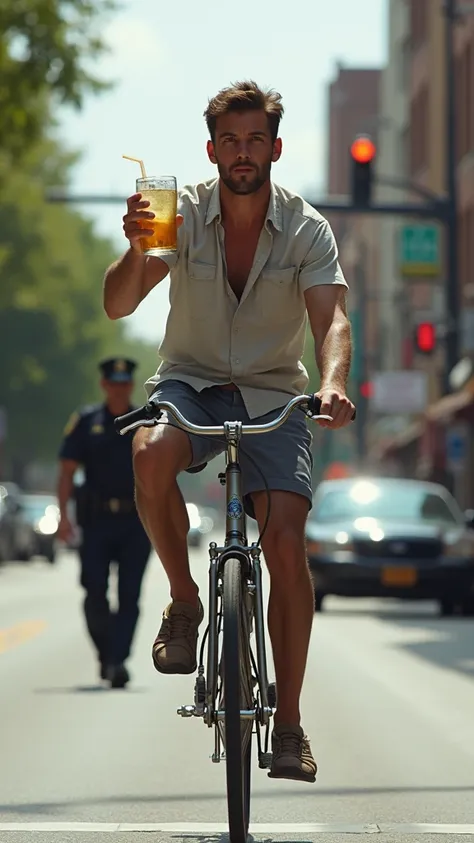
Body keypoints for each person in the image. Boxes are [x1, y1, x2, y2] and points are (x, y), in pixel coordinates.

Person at [103, 80, 355, 777]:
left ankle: (292, 725)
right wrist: (132, 249)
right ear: (211, 150)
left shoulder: (307, 227)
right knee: (150, 450)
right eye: (229, 142)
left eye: (254, 140)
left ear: (274, 148)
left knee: (285, 544)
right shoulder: (174, 212)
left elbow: (332, 319)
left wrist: (332, 382)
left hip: (275, 395)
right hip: (191, 383)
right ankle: (185, 601)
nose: (242, 153)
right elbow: (120, 304)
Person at [57, 357, 151, 688]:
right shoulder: (86, 421)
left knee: (129, 596)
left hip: (136, 522)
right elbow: (67, 470)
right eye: (114, 382)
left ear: (130, 386)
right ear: (104, 385)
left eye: (125, 383)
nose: (119, 388)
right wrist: (63, 517)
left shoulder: (146, 421)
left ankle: (117, 660)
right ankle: (107, 652)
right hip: (95, 522)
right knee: (94, 590)